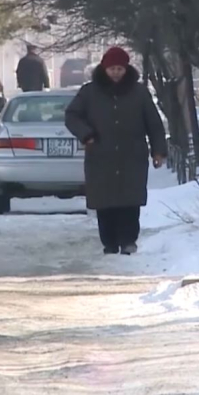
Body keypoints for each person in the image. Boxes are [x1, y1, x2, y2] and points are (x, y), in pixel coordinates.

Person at [65, 46, 167, 256]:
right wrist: (86, 134)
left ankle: (129, 240)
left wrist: (158, 151)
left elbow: (154, 123)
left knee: (130, 202)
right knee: (105, 202)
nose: (116, 73)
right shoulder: (89, 92)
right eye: (112, 69)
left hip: (132, 155)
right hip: (101, 155)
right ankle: (109, 242)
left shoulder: (139, 92)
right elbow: (72, 116)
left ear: (126, 68)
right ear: (104, 68)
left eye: (120, 68)